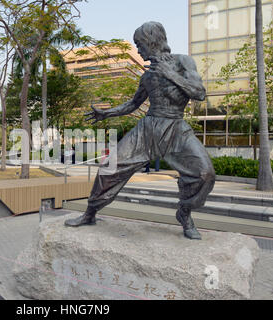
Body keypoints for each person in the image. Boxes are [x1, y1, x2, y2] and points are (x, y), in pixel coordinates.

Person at [65, 22, 215, 240]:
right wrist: (106, 114)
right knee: (109, 168)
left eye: (139, 44)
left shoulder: (183, 62)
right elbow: (133, 104)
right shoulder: (147, 76)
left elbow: (199, 93)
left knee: (205, 174)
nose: (138, 50)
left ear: (152, 41)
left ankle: (184, 213)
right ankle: (90, 213)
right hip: (148, 129)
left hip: (175, 128)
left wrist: (169, 74)